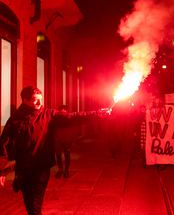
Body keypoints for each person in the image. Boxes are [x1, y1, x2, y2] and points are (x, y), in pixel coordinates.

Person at [0, 86, 110, 215]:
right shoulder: (14, 120)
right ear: (25, 101)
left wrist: (96, 114)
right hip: (23, 170)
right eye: (36, 100)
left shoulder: (48, 115)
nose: (40, 103)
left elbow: (72, 117)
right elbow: (4, 145)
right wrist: (1, 171)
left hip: (41, 168)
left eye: (41, 99)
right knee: (29, 205)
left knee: (35, 206)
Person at [54, 105, 73, 178]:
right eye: (61, 112)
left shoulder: (70, 118)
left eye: (64, 112)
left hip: (67, 138)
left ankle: (66, 170)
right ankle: (60, 169)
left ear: (67, 112)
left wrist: (72, 138)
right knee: (58, 155)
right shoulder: (56, 118)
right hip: (58, 139)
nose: (63, 114)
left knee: (67, 154)